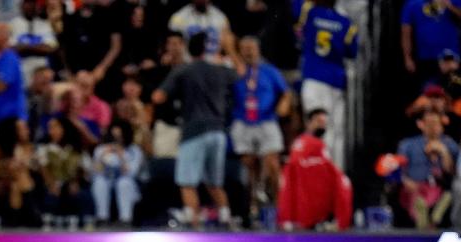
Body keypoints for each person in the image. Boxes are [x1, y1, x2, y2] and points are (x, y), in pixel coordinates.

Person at [151, 32, 235, 229]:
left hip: (194, 131)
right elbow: (238, 77)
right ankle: (225, 218)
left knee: (187, 182)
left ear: (189, 48)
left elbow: (158, 97)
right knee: (214, 183)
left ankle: (193, 222)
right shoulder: (221, 70)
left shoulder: (184, 70)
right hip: (218, 132)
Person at [230, 36, 291, 220]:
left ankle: (281, 209)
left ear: (258, 50)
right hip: (242, 121)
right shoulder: (236, 71)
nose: (248, 52)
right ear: (240, 51)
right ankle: (251, 208)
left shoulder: (269, 71)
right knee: (248, 167)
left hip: (266, 120)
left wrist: (284, 105)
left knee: (273, 163)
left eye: (252, 48)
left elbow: (286, 92)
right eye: (245, 48)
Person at [297, 0, 358, 171]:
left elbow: (296, 21)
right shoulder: (346, 22)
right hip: (335, 80)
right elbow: (352, 52)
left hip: (314, 77)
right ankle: (335, 173)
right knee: (335, 132)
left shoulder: (309, 11)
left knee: (316, 128)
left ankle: (315, 172)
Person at [278, 108, 353, 230]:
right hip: (306, 200)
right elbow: (294, 169)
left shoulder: (321, 144)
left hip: (319, 195)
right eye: (319, 121)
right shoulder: (302, 143)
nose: (322, 125)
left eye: (324, 122)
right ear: (309, 123)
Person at [398, 107, 459, 229]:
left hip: (439, 189)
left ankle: (432, 225)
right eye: (429, 123)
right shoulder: (408, 144)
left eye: (436, 123)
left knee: (448, 196)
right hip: (414, 187)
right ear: (421, 125)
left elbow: (451, 171)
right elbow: (399, 169)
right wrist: (406, 181)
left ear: (441, 126)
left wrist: (444, 152)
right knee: (419, 201)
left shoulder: (449, 144)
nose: (432, 127)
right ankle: (424, 231)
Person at [89, 120, 142, 226]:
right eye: (114, 136)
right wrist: (102, 156)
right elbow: (95, 172)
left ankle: (126, 219)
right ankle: (102, 217)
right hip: (107, 183)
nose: (116, 140)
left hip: (128, 185)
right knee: (100, 182)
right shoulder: (101, 149)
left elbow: (132, 173)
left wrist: (121, 156)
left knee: (123, 182)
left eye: (119, 136)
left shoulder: (134, 150)